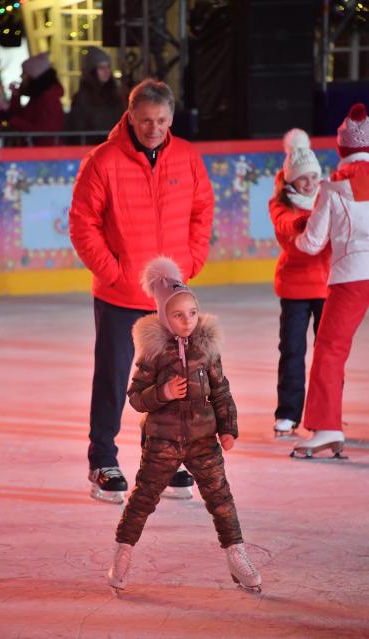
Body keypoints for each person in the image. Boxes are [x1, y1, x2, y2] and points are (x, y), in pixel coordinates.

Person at [69, 78, 214, 503]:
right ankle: (103, 461)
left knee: (173, 381)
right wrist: (113, 271)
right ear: (131, 116)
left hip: (170, 294)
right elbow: (83, 223)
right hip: (119, 292)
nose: (154, 128)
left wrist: (190, 263)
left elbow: (202, 211)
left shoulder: (187, 158)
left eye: (162, 120)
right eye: (146, 120)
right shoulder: (103, 161)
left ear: (171, 117)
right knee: (113, 377)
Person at [107, 256, 262, 593]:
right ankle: (123, 551)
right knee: (143, 499)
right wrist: (161, 392)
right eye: (178, 315)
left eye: (192, 313)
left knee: (221, 499)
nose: (187, 321)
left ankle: (236, 554)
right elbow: (135, 397)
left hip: (202, 439)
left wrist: (227, 428)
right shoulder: (154, 353)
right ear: (165, 317)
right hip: (162, 442)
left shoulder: (207, 351)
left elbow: (221, 390)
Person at [292, 103, 369, 458]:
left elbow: (311, 243)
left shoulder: (334, 187)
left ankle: (326, 427)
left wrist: (296, 231)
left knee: (330, 349)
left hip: (352, 275)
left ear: (342, 148)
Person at [269, 129, 331, 437]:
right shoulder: (282, 203)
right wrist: (309, 220)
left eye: (313, 177)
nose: (309, 183)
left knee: (328, 354)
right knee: (292, 351)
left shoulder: (328, 197)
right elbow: (285, 226)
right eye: (302, 178)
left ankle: (326, 413)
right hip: (295, 289)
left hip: (328, 287)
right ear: (292, 179)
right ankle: (288, 414)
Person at [66, 46, 124, 144]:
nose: (106, 71)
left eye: (108, 67)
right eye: (101, 67)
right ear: (92, 71)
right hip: (91, 148)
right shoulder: (82, 98)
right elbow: (77, 129)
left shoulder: (115, 95)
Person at [6, 52, 64, 146]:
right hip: (38, 150)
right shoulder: (38, 97)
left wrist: (13, 120)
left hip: (44, 153)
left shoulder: (47, 99)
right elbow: (25, 117)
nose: (21, 76)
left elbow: (43, 131)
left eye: (25, 73)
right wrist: (16, 97)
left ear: (34, 77)